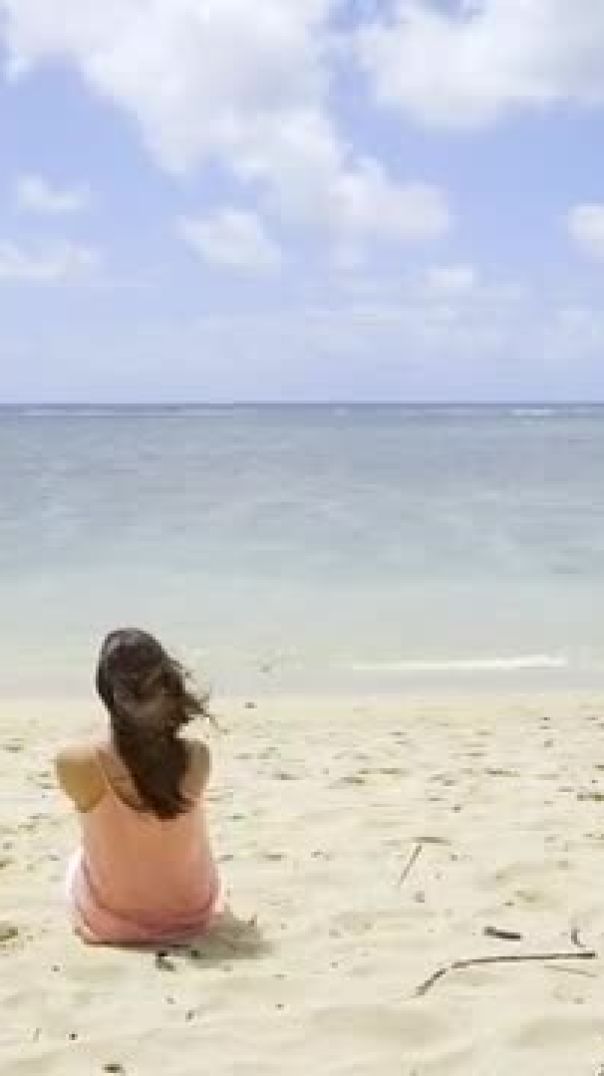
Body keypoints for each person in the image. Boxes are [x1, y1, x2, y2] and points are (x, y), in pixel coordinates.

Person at [56, 628, 223, 945]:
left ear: (107, 692)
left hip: (111, 923)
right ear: (169, 685)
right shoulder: (198, 757)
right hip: (193, 915)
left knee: (78, 858)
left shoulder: (75, 762)